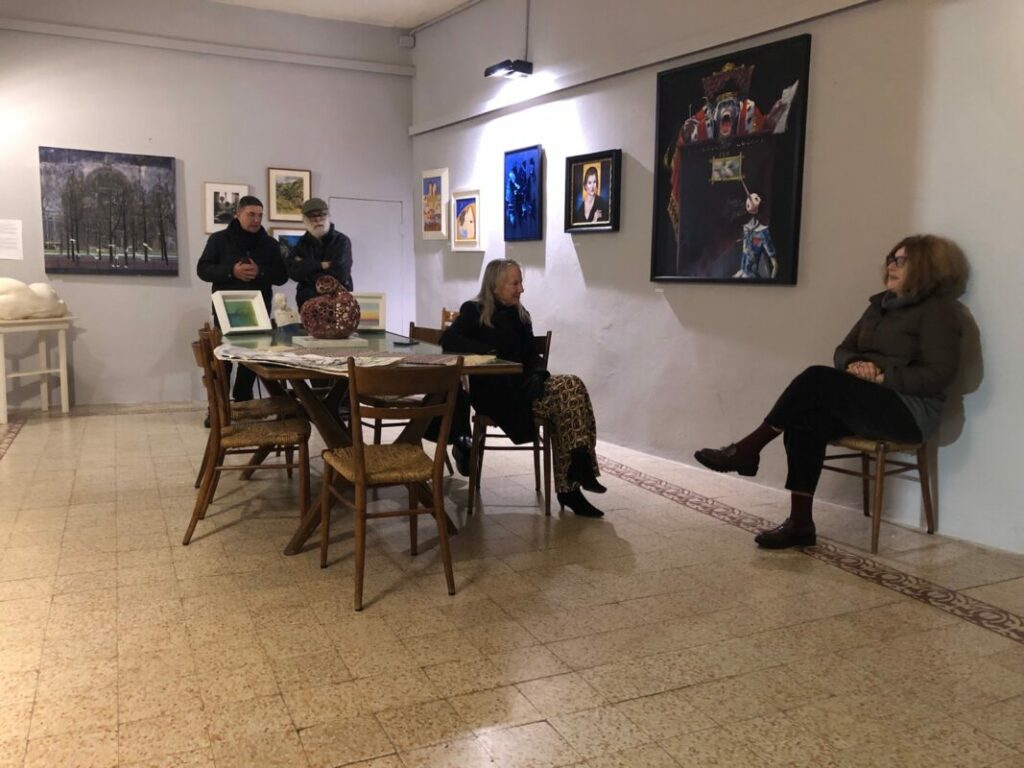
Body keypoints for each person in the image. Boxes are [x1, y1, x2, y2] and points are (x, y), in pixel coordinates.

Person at [695, 234, 968, 548]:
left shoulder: (937, 311)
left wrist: (882, 376)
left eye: (900, 260)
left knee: (816, 378)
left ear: (924, 266)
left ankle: (748, 449)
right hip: (871, 401)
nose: (890, 266)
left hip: (909, 411)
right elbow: (843, 349)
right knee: (804, 421)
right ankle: (800, 524)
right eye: (890, 259)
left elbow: (940, 374)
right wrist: (854, 364)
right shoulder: (878, 305)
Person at [441, 258, 607, 517]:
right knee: (567, 397)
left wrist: (539, 374)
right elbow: (448, 339)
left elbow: (531, 356)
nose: (521, 289)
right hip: (495, 395)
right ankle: (573, 483)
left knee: (572, 387)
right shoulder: (474, 310)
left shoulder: (520, 315)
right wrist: (488, 352)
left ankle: (575, 475)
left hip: (523, 389)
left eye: (521, 283)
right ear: (495, 286)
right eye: (515, 283)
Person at [197, 195, 287, 401]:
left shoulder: (270, 244)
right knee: (223, 360)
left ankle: (243, 399)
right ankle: (220, 407)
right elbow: (203, 269)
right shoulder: (218, 240)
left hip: (259, 311)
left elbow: (282, 276)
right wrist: (232, 272)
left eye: (260, 215)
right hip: (226, 311)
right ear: (238, 214)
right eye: (251, 214)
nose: (256, 219)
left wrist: (260, 271)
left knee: (251, 359)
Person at [286, 198, 353, 310]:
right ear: (304, 220)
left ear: (328, 216)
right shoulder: (301, 243)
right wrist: (321, 265)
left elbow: (340, 275)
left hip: (337, 305)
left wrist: (306, 270)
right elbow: (293, 273)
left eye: (321, 215)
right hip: (307, 306)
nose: (317, 220)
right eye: (312, 216)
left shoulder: (341, 241)